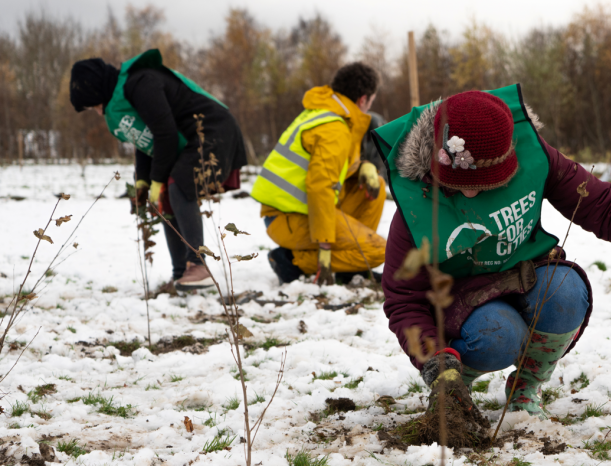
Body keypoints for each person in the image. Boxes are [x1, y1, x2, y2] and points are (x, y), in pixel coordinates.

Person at [374, 87, 611, 419]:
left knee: (567, 293)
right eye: (459, 186)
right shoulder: (416, 203)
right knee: (499, 335)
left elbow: (604, 208)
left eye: (483, 185)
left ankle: (526, 389)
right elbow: (403, 298)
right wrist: (435, 362)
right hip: (462, 305)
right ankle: (453, 388)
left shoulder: (533, 155)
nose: (470, 195)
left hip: (525, 276)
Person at [69, 49, 247, 291]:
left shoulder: (141, 83)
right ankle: (181, 274)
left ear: (98, 90)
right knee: (165, 194)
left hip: (212, 130)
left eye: (95, 106)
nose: (99, 112)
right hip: (187, 137)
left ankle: (198, 266)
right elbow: (146, 140)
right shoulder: (126, 93)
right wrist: (143, 182)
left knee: (178, 186)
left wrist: (157, 180)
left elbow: (165, 134)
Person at [252, 62, 387, 285]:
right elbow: (321, 186)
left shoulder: (329, 115)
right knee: (378, 251)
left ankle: (352, 269)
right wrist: (325, 245)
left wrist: (362, 168)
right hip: (288, 218)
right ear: (363, 99)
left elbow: (334, 170)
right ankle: (290, 261)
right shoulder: (333, 128)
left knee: (376, 188)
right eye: (371, 100)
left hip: (299, 211)